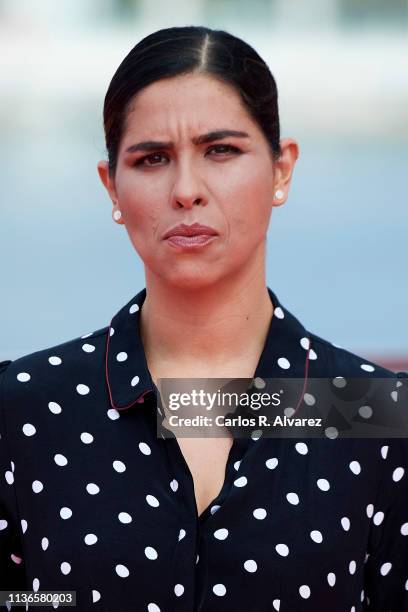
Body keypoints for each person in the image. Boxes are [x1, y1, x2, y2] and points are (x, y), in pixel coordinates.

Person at [0, 25, 407, 612]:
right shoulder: (27, 408)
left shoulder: (373, 413)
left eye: (221, 150)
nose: (186, 190)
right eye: (152, 158)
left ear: (281, 169)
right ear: (111, 184)